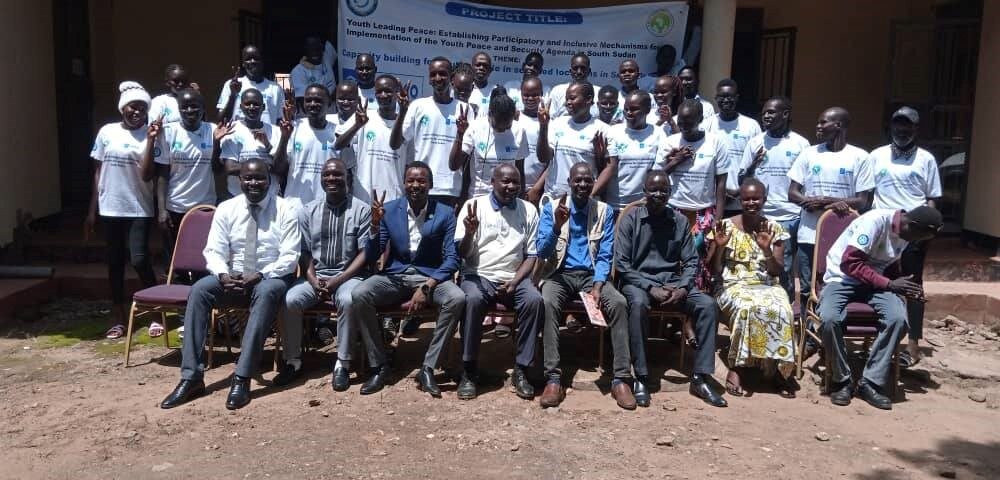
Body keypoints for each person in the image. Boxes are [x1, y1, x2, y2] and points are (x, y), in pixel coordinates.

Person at [160, 159, 300, 410]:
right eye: (248, 178)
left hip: (270, 277)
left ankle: (242, 377)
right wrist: (223, 274)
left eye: (260, 178)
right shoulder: (226, 208)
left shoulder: (285, 209)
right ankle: (191, 377)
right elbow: (214, 250)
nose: (254, 183)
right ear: (240, 180)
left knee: (267, 291)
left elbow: (290, 256)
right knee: (200, 290)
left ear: (269, 181)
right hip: (233, 278)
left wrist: (260, 274)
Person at [352, 162, 465, 396]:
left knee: (456, 298)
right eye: (411, 180)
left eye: (421, 180)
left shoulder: (445, 213)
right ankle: (380, 364)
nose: (415, 185)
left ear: (430, 185)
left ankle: (428, 367)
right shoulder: (389, 210)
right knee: (360, 294)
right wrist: (374, 225)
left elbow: (452, 259)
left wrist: (427, 286)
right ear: (403, 183)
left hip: (429, 276)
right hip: (396, 275)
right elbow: (372, 255)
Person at [615, 170, 727, 407]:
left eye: (663, 190)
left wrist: (684, 287)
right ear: (644, 191)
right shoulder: (631, 219)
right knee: (637, 304)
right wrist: (649, 287)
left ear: (670, 192)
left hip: (672, 283)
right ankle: (641, 376)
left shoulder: (679, 221)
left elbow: (691, 260)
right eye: (653, 190)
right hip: (639, 282)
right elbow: (622, 265)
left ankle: (700, 377)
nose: (658, 194)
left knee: (707, 305)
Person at [819, 206, 942, 410]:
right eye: (920, 237)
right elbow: (849, 263)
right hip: (842, 280)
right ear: (911, 225)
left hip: (875, 284)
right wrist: (890, 284)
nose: (917, 242)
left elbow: (888, 265)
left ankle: (870, 382)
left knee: (898, 319)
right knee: (829, 319)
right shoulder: (875, 222)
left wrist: (905, 287)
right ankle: (842, 380)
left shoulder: (906, 232)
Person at [536, 163, 634, 409]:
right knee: (547, 302)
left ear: (593, 183)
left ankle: (621, 378)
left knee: (619, 303)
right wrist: (557, 226)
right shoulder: (551, 208)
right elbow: (542, 252)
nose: (582, 185)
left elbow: (605, 253)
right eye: (577, 180)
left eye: (587, 180)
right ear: (569, 182)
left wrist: (599, 284)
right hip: (559, 274)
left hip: (591, 275)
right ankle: (553, 378)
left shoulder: (603, 211)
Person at [276, 159, 370, 389]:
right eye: (327, 175)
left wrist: (338, 280)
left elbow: (364, 254)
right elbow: (304, 251)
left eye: (337, 174)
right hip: (316, 276)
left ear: (347, 178)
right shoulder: (308, 210)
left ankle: (343, 363)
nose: (331, 179)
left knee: (348, 300)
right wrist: (312, 279)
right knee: (290, 300)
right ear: (321, 179)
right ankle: (293, 361)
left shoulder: (362, 210)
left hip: (348, 277)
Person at [454, 164, 543, 400]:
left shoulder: (528, 210)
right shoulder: (474, 207)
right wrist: (469, 232)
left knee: (534, 300)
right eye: (505, 181)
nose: (510, 186)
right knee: (472, 299)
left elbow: (531, 255)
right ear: (492, 182)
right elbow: (462, 254)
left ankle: (522, 369)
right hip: (478, 274)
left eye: (515, 182)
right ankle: (469, 370)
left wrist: (515, 281)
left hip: (515, 276)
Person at [707, 178, 796, 398]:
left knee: (782, 309)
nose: (751, 203)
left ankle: (777, 369)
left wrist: (766, 250)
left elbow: (776, 271)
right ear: (740, 200)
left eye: (756, 199)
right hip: (732, 284)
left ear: (764, 199)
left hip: (767, 284)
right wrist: (719, 247)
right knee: (747, 308)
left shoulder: (774, 228)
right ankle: (738, 367)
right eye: (746, 199)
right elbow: (713, 269)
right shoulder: (724, 226)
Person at [870, 106, 942, 368]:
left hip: (913, 232)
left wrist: (928, 233)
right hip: (883, 231)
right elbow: (868, 193)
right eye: (897, 124)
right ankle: (880, 340)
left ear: (916, 128)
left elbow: (931, 198)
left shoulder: (926, 159)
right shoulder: (876, 155)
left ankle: (913, 345)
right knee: (880, 282)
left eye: (907, 125)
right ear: (890, 126)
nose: (902, 130)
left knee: (913, 286)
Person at [86, 81, 159, 340]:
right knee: (115, 262)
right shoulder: (107, 132)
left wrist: (151, 140)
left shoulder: (151, 135)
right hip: (110, 206)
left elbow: (147, 175)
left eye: (142, 107)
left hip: (139, 206)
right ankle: (118, 316)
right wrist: (92, 209)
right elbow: (98, 171)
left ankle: (155, 311)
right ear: (122, 108)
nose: (137, 112)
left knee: (139, 259)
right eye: (132, 107)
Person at [788, 107, 873, 323]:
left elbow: (863, 201)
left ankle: (831, 329)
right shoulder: (809, 154)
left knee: (835, 285)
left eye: (823, 122)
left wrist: (826, 202)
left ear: (839, 126)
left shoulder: (860, 157)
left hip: (843, 237)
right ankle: (807, 333)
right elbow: (793, 193)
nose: (818, 126)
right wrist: (808, 201)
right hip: (809, 234)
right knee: (806, 287)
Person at [738, 96, 810, 301]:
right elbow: (742, 181)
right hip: (762, 215)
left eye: (771, 112)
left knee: (784, 266)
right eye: (764, 113)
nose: (766, 116)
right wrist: (753, 164)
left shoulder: (800, 144)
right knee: (758, 262)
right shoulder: (755, 142)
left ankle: (782, 306)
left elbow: (806, 182)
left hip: (790, 215)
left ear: (785, 114)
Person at [151, 88, 231, 260]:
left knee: (201, 259)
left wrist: (217, 144)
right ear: (179, 109)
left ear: (202, 108)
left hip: (205, 207)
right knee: (176, 260)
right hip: (175, 207)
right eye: (184, 107)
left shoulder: (213, 130)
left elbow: (218, 170)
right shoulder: (168, 132)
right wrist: (162, 210)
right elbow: (162, 175)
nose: (189, 110)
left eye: (194, 106)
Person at [661, 99, 730, 290]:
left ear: (700, 119)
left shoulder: (715, 142)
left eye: (689, 123)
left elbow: (721, 183)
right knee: (674, 258)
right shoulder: (670, 142)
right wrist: (676, 160)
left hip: (704, 212)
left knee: (702, 261)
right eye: (680, 123)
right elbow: (657, 176)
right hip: (674, 210)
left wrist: (718, 218)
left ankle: (698, 300)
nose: (684, 127)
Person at [390, 57, 470, 207]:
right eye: (433, 74)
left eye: (442, 73)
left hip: (450, 189)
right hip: (420, 187)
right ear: (428, 79)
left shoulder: (464, 109)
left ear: (452, 78)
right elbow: (395, 144)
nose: (438, 78)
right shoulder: (418, 106)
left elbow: (467, 158)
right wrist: (402, 111)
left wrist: (463, 193)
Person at [334, 74, 408, 204]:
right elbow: (338, 145)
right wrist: (357, 126)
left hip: (394, 198)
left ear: (397, 93)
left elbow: (408, 162)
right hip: (363, 198)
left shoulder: (407, 123)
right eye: (379, 91)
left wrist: (403, 112)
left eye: (388, 91)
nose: (383, 95)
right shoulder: (364, 116)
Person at [450, 87, 527, 198]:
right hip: (479, 196)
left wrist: (521, 199)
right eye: (498, 125)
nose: (502, 129)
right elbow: (454, 165)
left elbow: (520, 170)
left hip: (508, 197)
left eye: (507, 126)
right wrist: (460, 134)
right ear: (490, 114)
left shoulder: (519, 130)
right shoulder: (475, 127)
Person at [536, 81, 609, 198]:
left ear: (588, 99)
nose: (567, 102)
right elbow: (543, 158)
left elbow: (607, 168)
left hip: (584, 200)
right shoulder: (558, 123)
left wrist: (590, 196)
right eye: (566, 99)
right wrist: (543, 126)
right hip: (553, 197)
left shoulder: (602, 129)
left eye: (572, 98)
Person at [702, 78, 762, 216]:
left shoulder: (751, 126)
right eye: (722, 97)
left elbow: (758, 163)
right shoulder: (706, 125)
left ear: (737, 98)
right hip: (712, 200)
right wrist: (720, 191)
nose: (726, 100)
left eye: (730, 96)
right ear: (716, 98)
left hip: (742, 200)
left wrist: (738, 191)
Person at [601, 90, 670, 209]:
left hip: (644, 205)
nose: (628, 113)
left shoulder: (658, 134)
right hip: (615, 204)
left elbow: (658, 170)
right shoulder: (613, 131)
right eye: (626, 109)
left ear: (647, 109)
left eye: (634, 109)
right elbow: (608, 166)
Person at [273, 84, 339, 208]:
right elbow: (278, 169)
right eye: (308, 100)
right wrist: (284, 138)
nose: (312, 104)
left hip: (327, 207)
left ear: (329, 103)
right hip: (294, 207)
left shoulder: (338, 132)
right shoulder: (293, 127)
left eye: (318, 100)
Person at [219, 88, 286, 200]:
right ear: (241, 107)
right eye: (247, 104)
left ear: (263, 107)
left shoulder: (276, 131)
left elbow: (281, 167)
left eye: (256, 104)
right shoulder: (232, 130)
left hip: (270, 198)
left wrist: (268, 146)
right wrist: (268, 166)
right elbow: (230, 167)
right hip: (238, 197)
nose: (251, 107)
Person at [216, 45, 285, 125]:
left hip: (267, 133)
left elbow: (280, 119)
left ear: (262, 62)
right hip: (237, 133)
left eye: (256, 58)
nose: (252, 61)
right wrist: (233, 95)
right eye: (248, 59)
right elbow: (221, 121)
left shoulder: (275, 88)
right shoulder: (232, 85)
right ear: (243, 64)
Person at [516, 77, 547, 204]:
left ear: (542, 94)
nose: (530, 98)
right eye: (526, 95)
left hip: (538, 188)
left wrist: (536, 188)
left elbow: (552, 162)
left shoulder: (548, 122)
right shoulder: (515, 118)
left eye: (535, 95)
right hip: (514, 184)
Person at [290, 36, 336, 114]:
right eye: (311, 49)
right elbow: (304, 102)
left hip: (331, 116)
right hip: (308, 118)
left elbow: (336, 37)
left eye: (317, 48)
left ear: (322, 48)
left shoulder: (327, 60)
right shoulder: (298, 71)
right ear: (305, 50)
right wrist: (332, 96)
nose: (315, 51)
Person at [548, 53, 599, 118]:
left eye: (583, 68)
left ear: (589, 71)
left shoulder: (598, 92)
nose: (579, 72)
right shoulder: (557, 91)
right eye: (575, 68)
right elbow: (551, 118)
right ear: (570, 71)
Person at [328, 80, 363, 170]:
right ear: (335, 99)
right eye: (341, 98)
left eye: (350, 99)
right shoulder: (328, 120)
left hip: (358, 171)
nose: (346, 102)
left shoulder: (364, 122)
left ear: (358, 100)